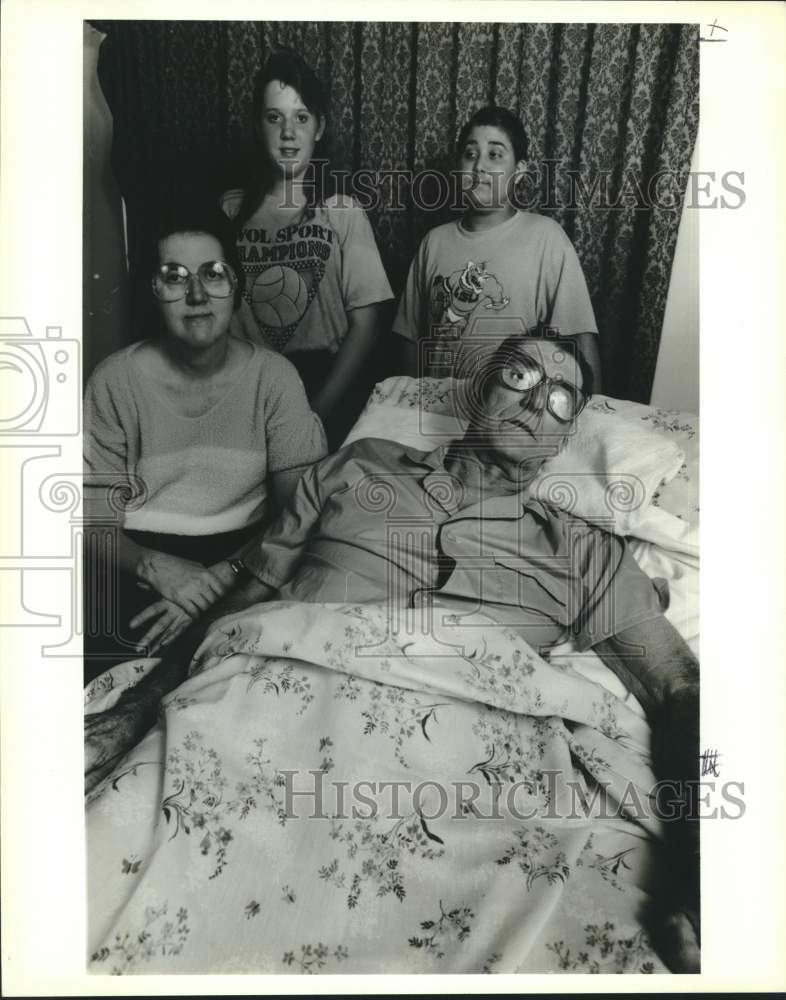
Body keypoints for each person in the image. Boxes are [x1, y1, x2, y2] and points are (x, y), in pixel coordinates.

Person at [85, 333, 697, 970]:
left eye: (560, 397)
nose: (536, 400)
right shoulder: (356, 466)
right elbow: (243, 601)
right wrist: (136, 709)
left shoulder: (585, 550)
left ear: (563, 436)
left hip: (474, 760)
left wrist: (696, 868)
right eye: (518, 377)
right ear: (478, 391)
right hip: (271, 703)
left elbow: (681, 689)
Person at [82, 206, 327, 681]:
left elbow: (299, 515)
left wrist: (223, 577)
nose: (196, 294)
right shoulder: (115, 380)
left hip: (251, 560)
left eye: (213, 274)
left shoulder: (274, 379)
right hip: (136, 562)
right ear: (152, 291)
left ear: (235, 287)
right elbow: (92, 523)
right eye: (174, 277)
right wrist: (156, 568)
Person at [220, 48, 394, 447]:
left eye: (301, 118)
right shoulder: (227, 211)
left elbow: (365, 329)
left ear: (319, 128)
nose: (288, 132)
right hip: (247, 396)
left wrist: (313, 416)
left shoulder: (343, 212)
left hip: (327, 393)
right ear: (257, 126)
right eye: (274, 117)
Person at [394, 105, 602, 389]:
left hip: (512, 415)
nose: (479, 166)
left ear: (519, 171)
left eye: (494, 154)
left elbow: (580, 340)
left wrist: (584, 417)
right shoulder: (434, 242)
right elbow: (409, 338)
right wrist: (413, 402)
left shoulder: (546, 238)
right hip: (438, 413)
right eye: (470, 154)